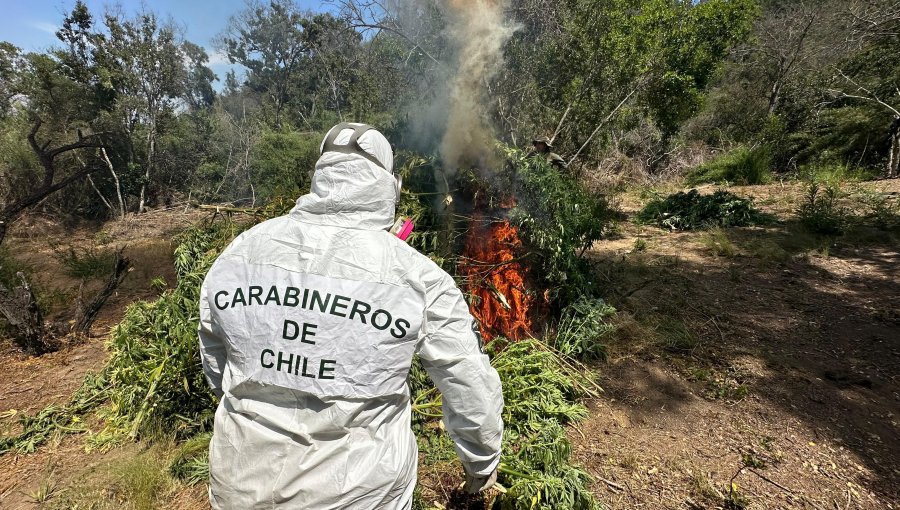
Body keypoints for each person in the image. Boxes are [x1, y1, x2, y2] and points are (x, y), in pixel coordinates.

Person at [198, 123, 504, 509]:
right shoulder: (418, 276)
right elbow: (468, 383)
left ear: (320, 175)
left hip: (241, 486)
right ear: (389, 186)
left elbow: (216, 364)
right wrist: (481, 464)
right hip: (358, 496)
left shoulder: (241, 252)